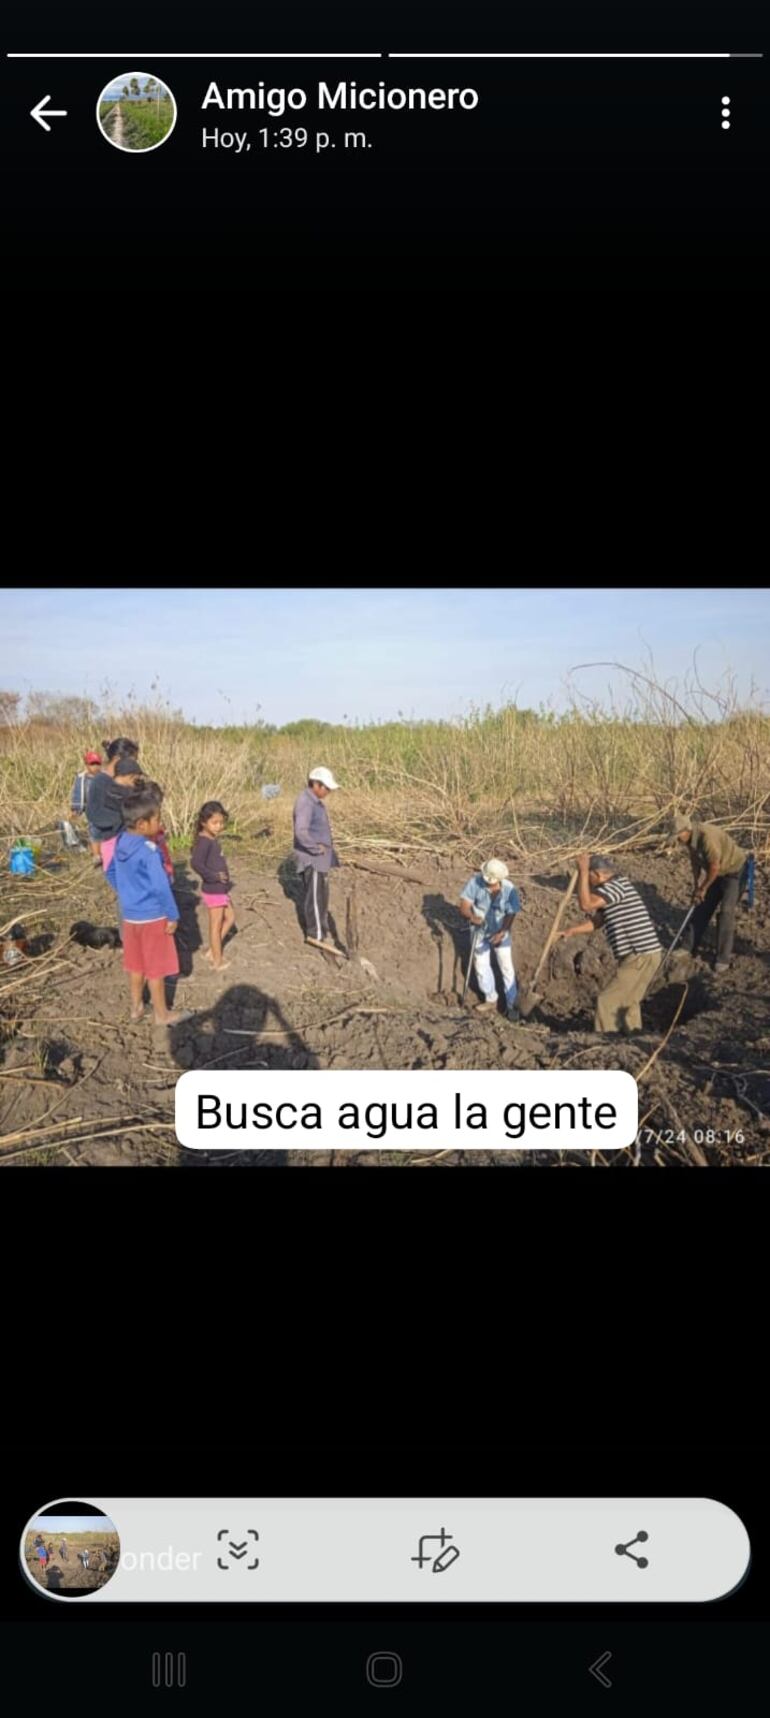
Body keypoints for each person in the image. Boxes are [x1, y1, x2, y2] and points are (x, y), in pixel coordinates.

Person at [105, 781, 192, 1027]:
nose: (160, 824)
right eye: (157, 820)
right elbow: (161, 887)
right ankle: (162, 1014)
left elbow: (109, 870)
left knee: (136, 964)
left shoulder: (121, 842)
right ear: (142, 824)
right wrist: (172, 915)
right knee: (156, 968)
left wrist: (125, 891)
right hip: (153, 916)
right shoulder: (149, 850)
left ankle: (136, 1007)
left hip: (130, 916)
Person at [558, 852, 662, 1035]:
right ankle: (632, 1039)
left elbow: (586, 905)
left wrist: (582, 871)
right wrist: (572, 931)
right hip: (646, 954)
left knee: (607, 1002)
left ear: (597, 874)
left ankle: (606, 1042)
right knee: (629, 1002)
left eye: (590, 878)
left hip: (639, 954)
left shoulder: (616, 886)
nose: (589, 884)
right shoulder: (614, 890)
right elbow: (598, 921)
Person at [671, 812, 750, 973]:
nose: (677, 841)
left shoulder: (707, 837)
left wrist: (703, 888)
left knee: (726, 912)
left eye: (678, 837)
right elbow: (695, 863)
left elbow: (715, 867)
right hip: (716, 872)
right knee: (701, 906)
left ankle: (723, 957)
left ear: (686, 831)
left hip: (734, 872)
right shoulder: (690, 840)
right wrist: (696, 886)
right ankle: (688, 947)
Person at [458, 859, 522, 1019]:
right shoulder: (475, 882)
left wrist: (503, 931)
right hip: (479, 931)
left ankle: (511, 1004)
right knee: (480, 965)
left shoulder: (509, 889)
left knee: (506, 967)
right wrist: (471, 917)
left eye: (493, 883)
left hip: (501, 931)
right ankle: (491, 998)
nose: (489, 885)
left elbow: (511, 912)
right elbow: (464, 906)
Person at [292, 767, 341, 950]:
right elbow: (301, 832)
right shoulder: (305, 802)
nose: (328, 792)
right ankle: (316, 934)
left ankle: (322, 931)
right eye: (326, 788)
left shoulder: (316, 802)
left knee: (322, 897)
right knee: (314, 898)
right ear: (315, 784)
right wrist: (316, 849)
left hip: (321, 860)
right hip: (312, 859)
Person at [191, 801, 236, 972]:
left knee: (230, 918)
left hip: (221, 890)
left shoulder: (211, 839)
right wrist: (213, 876)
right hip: (214, 890)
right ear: (204, 822)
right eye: (214, 823)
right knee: (215, 926)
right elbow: (196, 863)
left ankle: (212, 950)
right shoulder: (204, 842)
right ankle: (217, 960)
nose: (219, 826)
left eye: (221, 822)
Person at [86, 739, 141, 871]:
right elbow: (94, 814)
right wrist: (123, 819)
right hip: (111, 840)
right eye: (132, 760)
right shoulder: (100, 781)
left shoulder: (127, 780)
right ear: (117, 759)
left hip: (127, 839)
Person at [70, 750, 103, 860]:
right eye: (92, 764)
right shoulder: (82, 779)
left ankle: (103, 853)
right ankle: (96, 855)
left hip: (103, 809)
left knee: (103, 831)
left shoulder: (103, 778)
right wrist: (76, 809)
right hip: (90, 809)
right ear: (87, 765)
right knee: (94, 831)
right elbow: (78, 794)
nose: (95, 767)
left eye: (97, 764)